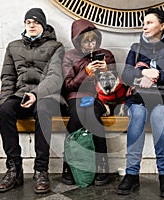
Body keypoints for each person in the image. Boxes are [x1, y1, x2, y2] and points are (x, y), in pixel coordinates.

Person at [116, 8, 164, 198]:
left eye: (149, 22)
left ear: (162, 26)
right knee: (137, 115)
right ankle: (131, 174)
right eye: (144, 22)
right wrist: (142, 73)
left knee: (157, 117)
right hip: (139, 98)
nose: (144, 26)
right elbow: (126, 75)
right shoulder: (136, 47)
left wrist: (157, 76)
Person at [0, 8, 65, 194]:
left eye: (36, 22)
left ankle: (41, 170)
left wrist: (35, 94)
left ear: (43, 24)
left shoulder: (56, 47)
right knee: (4, 111)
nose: (32, 25)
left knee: (43, 109)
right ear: (25, 25)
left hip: (46, 96)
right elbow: (8, 78)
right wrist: (4, 101)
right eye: (28, 22)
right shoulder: (13, 46)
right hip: (20, 95)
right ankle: (14, 169)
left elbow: (55, 77)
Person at [62, 19, 116, 186]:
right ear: (78, 41)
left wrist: (107, 71)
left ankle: (101, 165)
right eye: (86, 41)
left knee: (92, 115)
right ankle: (69, 165)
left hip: (98, 98)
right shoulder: (70, 56)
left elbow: (113, 87)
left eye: (93, 40)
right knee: (77, 116)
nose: (91, 45)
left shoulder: (106, 55)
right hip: (75, 97)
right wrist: (86, 72)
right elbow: (68, 85)